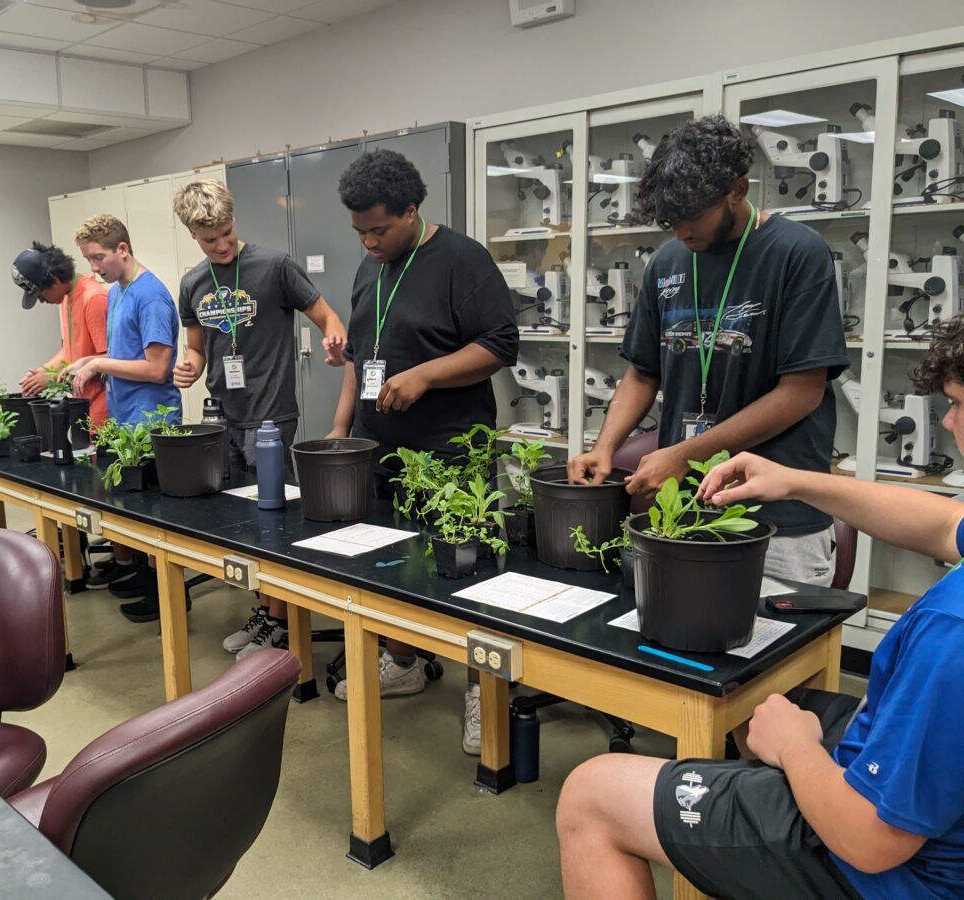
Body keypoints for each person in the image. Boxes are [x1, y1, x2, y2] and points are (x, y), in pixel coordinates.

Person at [555, 314, 964, 900]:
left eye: (955, 403)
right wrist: (794, 481)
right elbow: (947, 520)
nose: (946, 421)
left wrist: (794, 746)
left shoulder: (953, 633)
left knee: (592, 794)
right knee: (757, 711)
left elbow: (873, 842)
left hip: (898, 873)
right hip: (908, 789)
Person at [567, 115, 849, 586]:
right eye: (670, 221)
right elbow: (642, 374)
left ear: (736, 190)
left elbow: (801, 392)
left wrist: (685, 452)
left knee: (771, 656)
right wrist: (605, 447)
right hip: (685, 509)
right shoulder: (667, 261)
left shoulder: (797, 253)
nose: (681, 233)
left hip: (777, 520)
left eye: (691, 217)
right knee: (673, 651)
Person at [327, 149, 519, 754]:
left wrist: (427, 375)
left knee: (466, 577)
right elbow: (361, 358)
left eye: (379, 229)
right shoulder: (370, 268)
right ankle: (404, 662)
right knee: (390, 565)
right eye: (360, 232)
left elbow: (500, 344)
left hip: (450, 453)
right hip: (382, 452)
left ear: (413, 210)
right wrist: (340, 429)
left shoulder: (462, 260)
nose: (369, 243)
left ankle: (482, 695)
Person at [171, 179, 348, 660]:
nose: (223, 245)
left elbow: (327, 316)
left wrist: (334, 340)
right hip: (222, 418)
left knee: (273, 526)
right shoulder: (192, 283)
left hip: (271, 416)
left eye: (227, 233)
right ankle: (266, 611)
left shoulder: (274, 267)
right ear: (194, 236)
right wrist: (188, 367)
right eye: (211, 240)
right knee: (241, 526)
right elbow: (195, 347)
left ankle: (283, 619)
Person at [69, 213, 183, 623]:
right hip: (124, 417)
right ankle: (143, 577)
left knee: (153, 516)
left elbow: (156, 369)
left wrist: (100, 363)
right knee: (130, 509)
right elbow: (123, 355)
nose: (94, 268)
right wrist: (89, 360)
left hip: (150, 419)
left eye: (99, 257)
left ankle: (169, 598)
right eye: (89, 260)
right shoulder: (118, 290)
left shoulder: (150, 296)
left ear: (123, 249)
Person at [11, 240, 109, 426]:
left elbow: (110, 356)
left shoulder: (93, 299)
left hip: (101, 409)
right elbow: (70, 348)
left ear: (55, 281)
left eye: (40, 294)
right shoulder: (66, 298)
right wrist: (44, 372)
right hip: (81, 405)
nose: (41, 300)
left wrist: (53, 376)